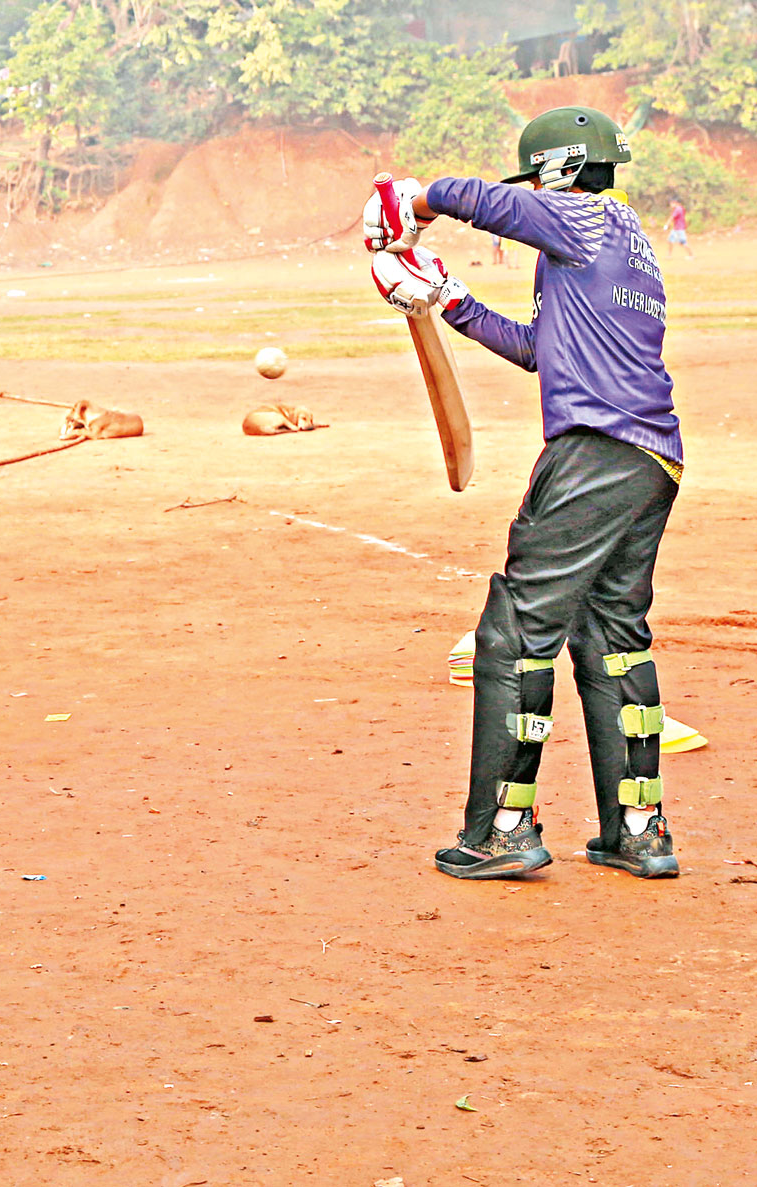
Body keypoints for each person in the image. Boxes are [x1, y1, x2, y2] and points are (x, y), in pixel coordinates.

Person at [365, 106, 681, 881]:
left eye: (539, 178)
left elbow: (492, 203)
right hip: (652, 460)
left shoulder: (589, 219)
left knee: (514, 634)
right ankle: (638, 831)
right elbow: (542, 351)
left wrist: (417, 200)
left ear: (564, 171)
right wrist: (449, 298)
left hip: (593, 457)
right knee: (613, 639)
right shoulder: (625, 248)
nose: (532, 193)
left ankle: (501, 829)